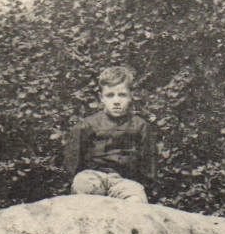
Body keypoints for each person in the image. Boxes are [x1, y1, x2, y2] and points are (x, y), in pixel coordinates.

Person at [64, 64, 158, 203]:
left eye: (122, 95)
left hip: (124, 181)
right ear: (101, 97)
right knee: (82, 189)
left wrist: (142, 187)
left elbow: (147, 165)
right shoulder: (87, 125)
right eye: (110, 95)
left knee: (136, 201)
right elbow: (73, 161)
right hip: (93, 177)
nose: (116, 101)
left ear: (131, 96)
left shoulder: (140, 126)